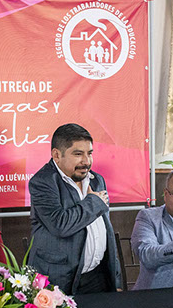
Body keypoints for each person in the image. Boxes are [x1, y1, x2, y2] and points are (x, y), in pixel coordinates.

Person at [28, 123, 120, 294]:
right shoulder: (42, 182)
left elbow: (106, 231)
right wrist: (94, 202)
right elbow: (60, 225)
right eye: (78, 154)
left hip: (98, 277)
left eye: (89, 153)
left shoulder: (96, 180)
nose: (86, 161)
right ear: (57, 155)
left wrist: (116, 278)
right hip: (59, 281)